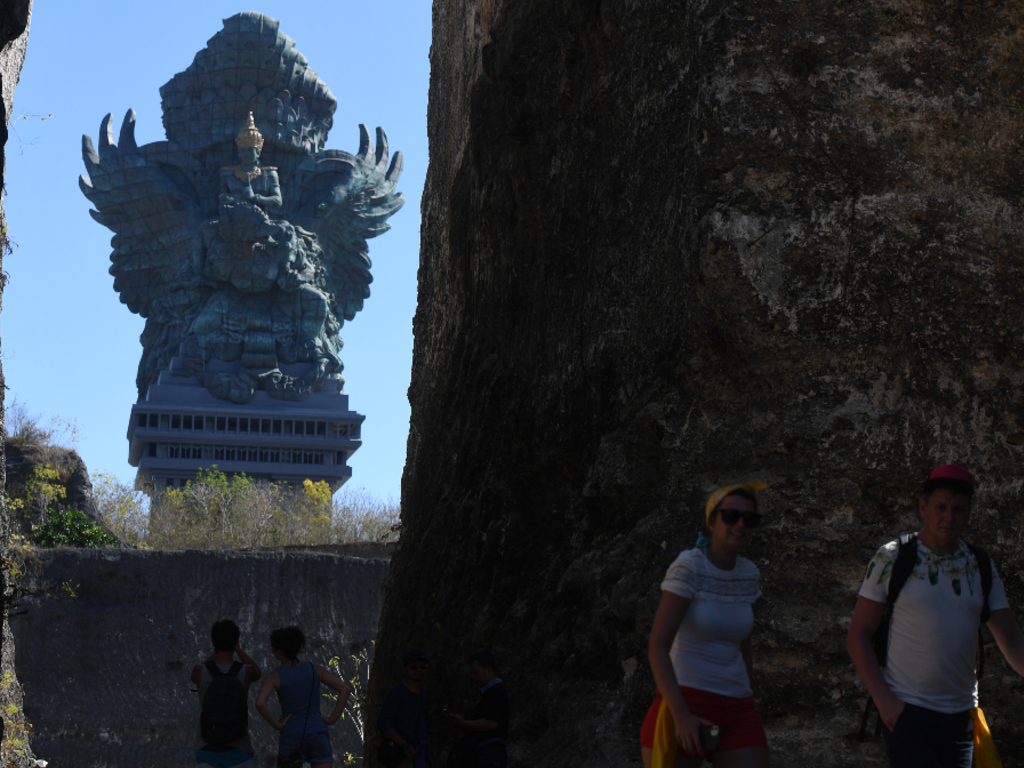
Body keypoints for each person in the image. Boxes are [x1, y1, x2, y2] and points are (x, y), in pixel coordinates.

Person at [847, 464, 1024, 768]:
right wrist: (885, 702)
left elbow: (1009, 637)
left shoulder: (980, 565)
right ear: (922, 507)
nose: (949, 517)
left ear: (969, 512)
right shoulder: (892, 557)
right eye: (941, 507)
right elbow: (858, 634)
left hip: (962, 721)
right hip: (909, 716)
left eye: (958, 509)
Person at [640, 482, 770, 768]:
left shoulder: (748, 574)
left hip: (737, 708)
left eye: (750, 519)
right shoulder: (690, 567)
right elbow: (658, 645)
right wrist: (681, 715)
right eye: (730, 516)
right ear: (712, 520)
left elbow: (743, 649)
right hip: (686, 703)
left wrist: (746, 692)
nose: (740, 524)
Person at [255, 626, 353, 768]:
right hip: (317, 730)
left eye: (272, 647)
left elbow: (259, 703)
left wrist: (278, 725)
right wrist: (331, 719)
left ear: (279, 651)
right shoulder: (315, 669)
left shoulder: (273, 677)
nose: (271, 650)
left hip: (291, 732)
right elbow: (345, 688)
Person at [191, 619, 262, 768]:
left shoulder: (199, 671)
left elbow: (198, 671)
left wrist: (216, 649)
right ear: (236, 642)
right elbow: (258, 672)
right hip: (239, 748)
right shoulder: (245, 671)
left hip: (206, 748)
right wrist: (238, 650)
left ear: (213, 641)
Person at [447, 650, 509, 768]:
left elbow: (491, 723)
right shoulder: (490, 692)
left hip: (490, 753)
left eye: (476, 672)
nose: (473, 677)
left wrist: (463, 723)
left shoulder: (495, 692)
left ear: (488, 669)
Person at [378, 649, 432, 768]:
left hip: (420, 755)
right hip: (401, 756)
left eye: (422, 666)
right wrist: (405, 745)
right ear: (405, 669)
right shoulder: (396, 693)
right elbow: (384, 722)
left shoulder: (424, 697)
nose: (418, 669)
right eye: (413, 666)